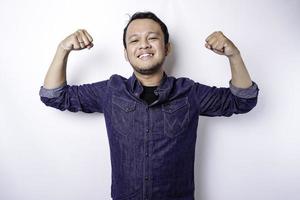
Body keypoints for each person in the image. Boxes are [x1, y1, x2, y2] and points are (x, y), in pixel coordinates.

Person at [39, 11, 259, 200]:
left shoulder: (189, 92)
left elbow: (243, 100)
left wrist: (234, 55)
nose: (143, 44)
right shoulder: (111, 90)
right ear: (126, 53)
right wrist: (62, 49)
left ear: (167, 47)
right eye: (134, 40)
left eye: (152, 38)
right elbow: (54, 96)